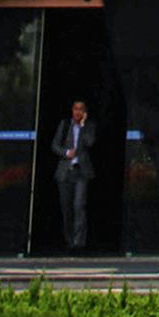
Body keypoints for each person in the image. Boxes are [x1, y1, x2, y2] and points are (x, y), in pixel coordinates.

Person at [52, 99, 97, 250]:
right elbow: (55, 145)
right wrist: (66, 153)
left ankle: (79, 242)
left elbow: (90, 142)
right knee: (66, 207)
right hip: (65, 171)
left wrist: (82, 126)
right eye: (75, 109)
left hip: (81, 172)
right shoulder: (65, 125)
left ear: (85, 112)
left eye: (81, 109)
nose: (78, 112)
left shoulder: (89, 126)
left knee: (79, 205)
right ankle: (69, 240)